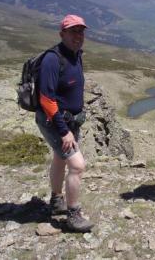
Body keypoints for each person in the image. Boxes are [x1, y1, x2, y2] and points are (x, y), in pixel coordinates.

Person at [35, 14, 94, 232]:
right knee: (77, 165)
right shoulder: (53, 59)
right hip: (55, 122)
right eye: (73, 31)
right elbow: (46, 99)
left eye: (81, 31)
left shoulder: (76, 55)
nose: (78, 36)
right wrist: (63, 131)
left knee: (60, 159)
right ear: (62, 34)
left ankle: (56, 200)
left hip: (69, 121)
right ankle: (73, 215)